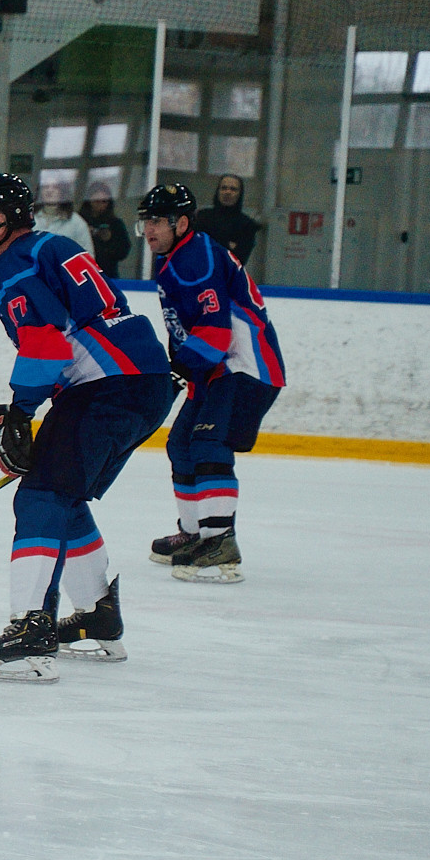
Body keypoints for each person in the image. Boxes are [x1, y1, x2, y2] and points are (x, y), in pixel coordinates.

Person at [0, 172, 174, 681]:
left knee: (39, 498)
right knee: (63, 496)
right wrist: (24, 409)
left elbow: (46, 343)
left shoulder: (13, 267)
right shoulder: (50, 246)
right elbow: (73, 335)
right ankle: (98, 616)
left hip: (109, 386)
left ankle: (31, 633)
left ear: (0, 223)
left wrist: (22, 411)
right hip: (142, 382)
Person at [137, 183, 287, 583]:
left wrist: (178, 371)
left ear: (181, 223)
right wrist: (177, 367)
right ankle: (195, 535)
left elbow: (216, 332)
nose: (148, 229)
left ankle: (220, 541)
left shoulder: (197, 258)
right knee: (181, 443)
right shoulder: (173, 257)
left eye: (156, 221)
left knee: (207, 443)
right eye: (145, 221)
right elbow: (182, 327)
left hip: (244, 366)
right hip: (214, 369)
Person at [192, 173, 263, 267]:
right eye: (224, 188)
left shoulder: (247, 225)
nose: (228, 192)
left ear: (240, 194)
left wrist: (212, 241)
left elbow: (238, 260)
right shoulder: (202, 217)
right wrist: (227, 245)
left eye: (233, 189)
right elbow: (194, 249)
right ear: (218, 191)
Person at [77, 181, 132, 278]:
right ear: (89, 200)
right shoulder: (79, 222)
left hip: (107, 274)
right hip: (81, 273)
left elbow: (123, 252)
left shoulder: (115, 224)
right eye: (97, 201)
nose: (100, 205)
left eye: (104, 201)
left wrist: (109, 240)